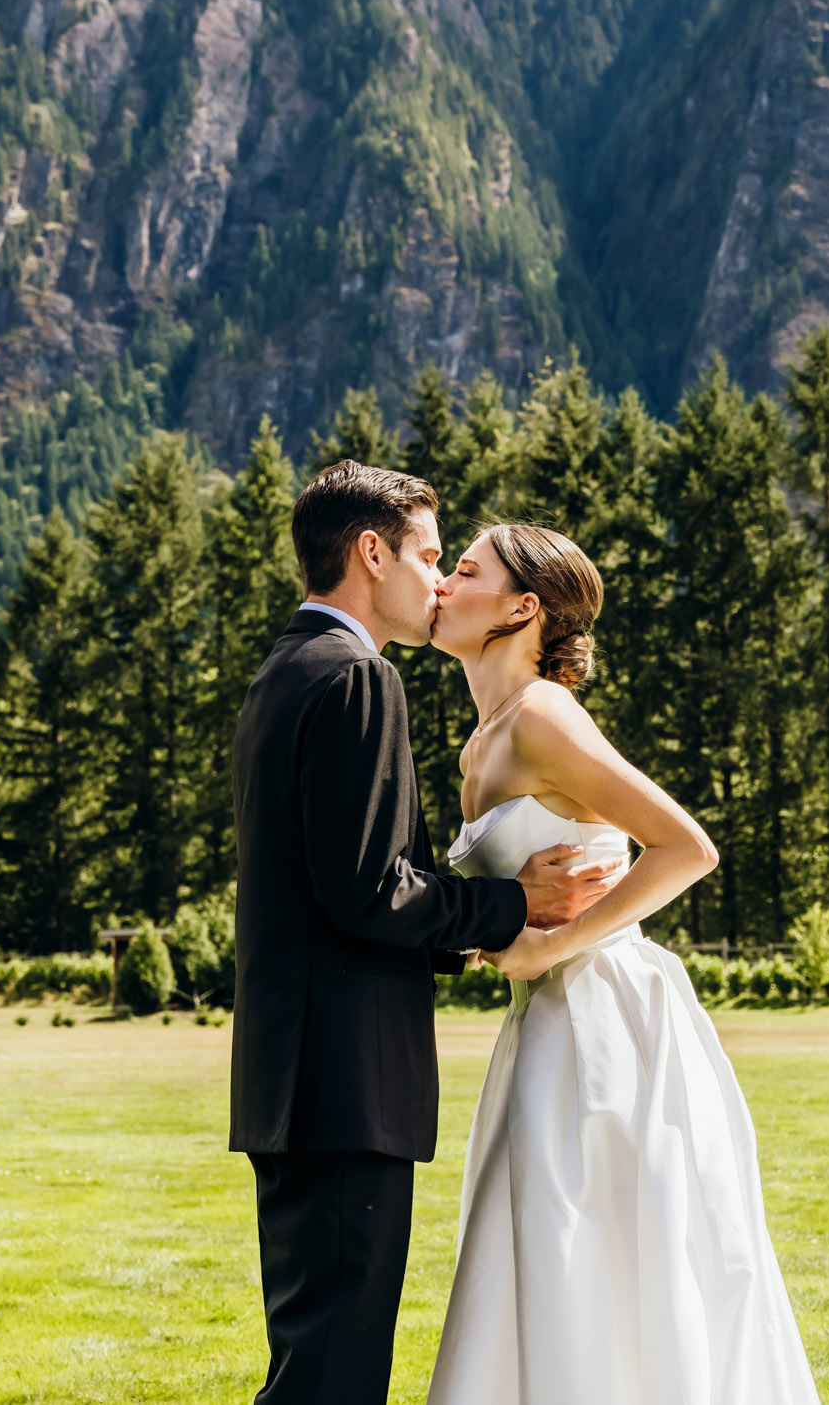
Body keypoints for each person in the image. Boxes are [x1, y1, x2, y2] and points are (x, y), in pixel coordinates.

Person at [229, 464, 621, 1405]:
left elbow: (338, 889)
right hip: (346, 1078)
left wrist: (473, 925)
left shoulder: (285, 673)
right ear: (372, 552)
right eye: (430, 554)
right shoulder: (362, 678)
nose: (438, 581)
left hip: (294, 1076)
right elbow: (371, 890)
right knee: (334, 1373)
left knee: (312, 1357)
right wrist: (513, 905)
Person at [426, 522, 822, 1404]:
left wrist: (551, 946)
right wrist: (508, 941)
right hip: (542, 1025)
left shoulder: (540, 714)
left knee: (598, 1249)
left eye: (464, 569)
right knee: (542, 1246)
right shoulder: (480, 742)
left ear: (522, 608)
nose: (443, 584)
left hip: (606, 1016)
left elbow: (686, 846)